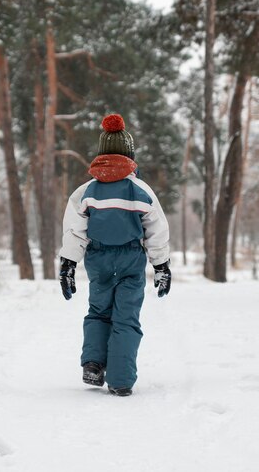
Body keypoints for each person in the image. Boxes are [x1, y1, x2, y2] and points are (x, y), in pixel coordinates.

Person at [58, 113, 171, 396]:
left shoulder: (86, 191)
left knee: (98, 311)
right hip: (131, 259)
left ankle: (93, 366)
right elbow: (156, 230)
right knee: (126, 317)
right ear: (129, 154)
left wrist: (68, 263)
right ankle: (120, 380)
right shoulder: (141, 191)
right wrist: (161, 265)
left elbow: (75, 230)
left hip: (98, 259)